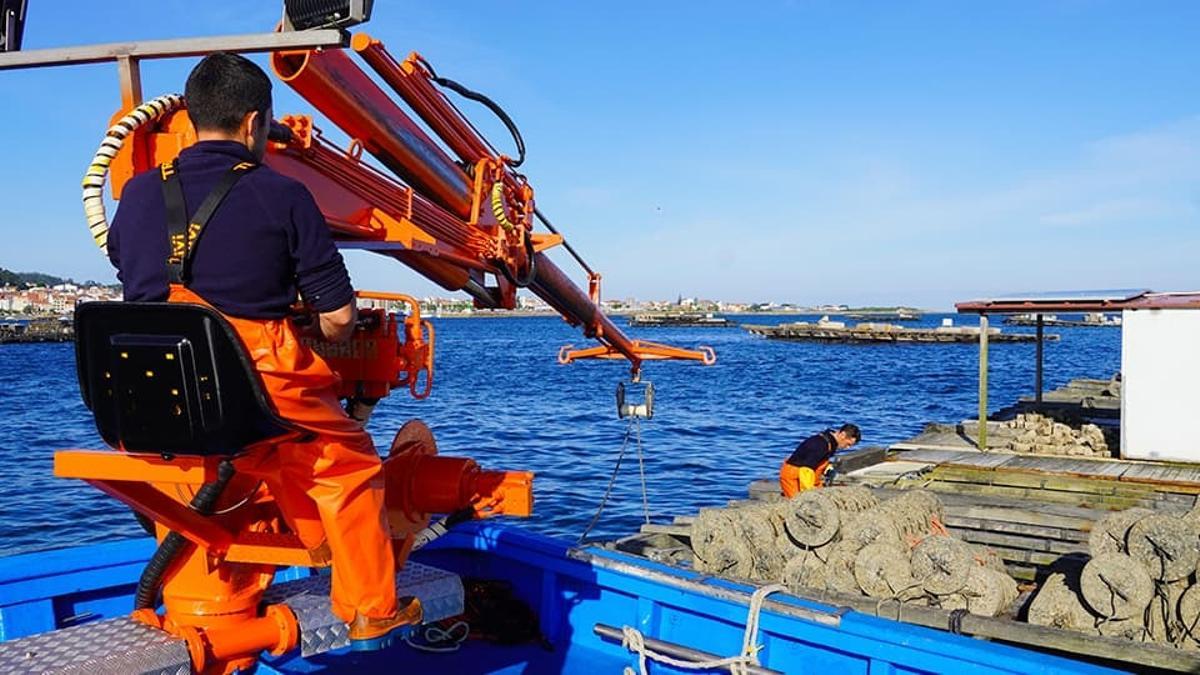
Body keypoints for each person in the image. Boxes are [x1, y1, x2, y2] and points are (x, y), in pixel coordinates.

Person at [106, 52, 419, 649]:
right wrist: (331, 340)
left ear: (194, 117)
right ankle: (371, 608)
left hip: (148, 399)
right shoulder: (285, 194)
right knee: (347, 462)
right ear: (255, 123)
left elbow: (132, 271)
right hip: (256, 388)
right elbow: (338, 315)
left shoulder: (139, 193)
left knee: (264, 446)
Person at [779, 423, 861, 498]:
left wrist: (828, 469)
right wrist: (809, 494)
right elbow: (805, 470)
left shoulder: (831, 442)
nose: (847, 448)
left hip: (811, 476)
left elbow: (819, 462)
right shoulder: (819, 445)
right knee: (799, 502)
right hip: (793, 476)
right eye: (848, 444)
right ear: (842, 435)